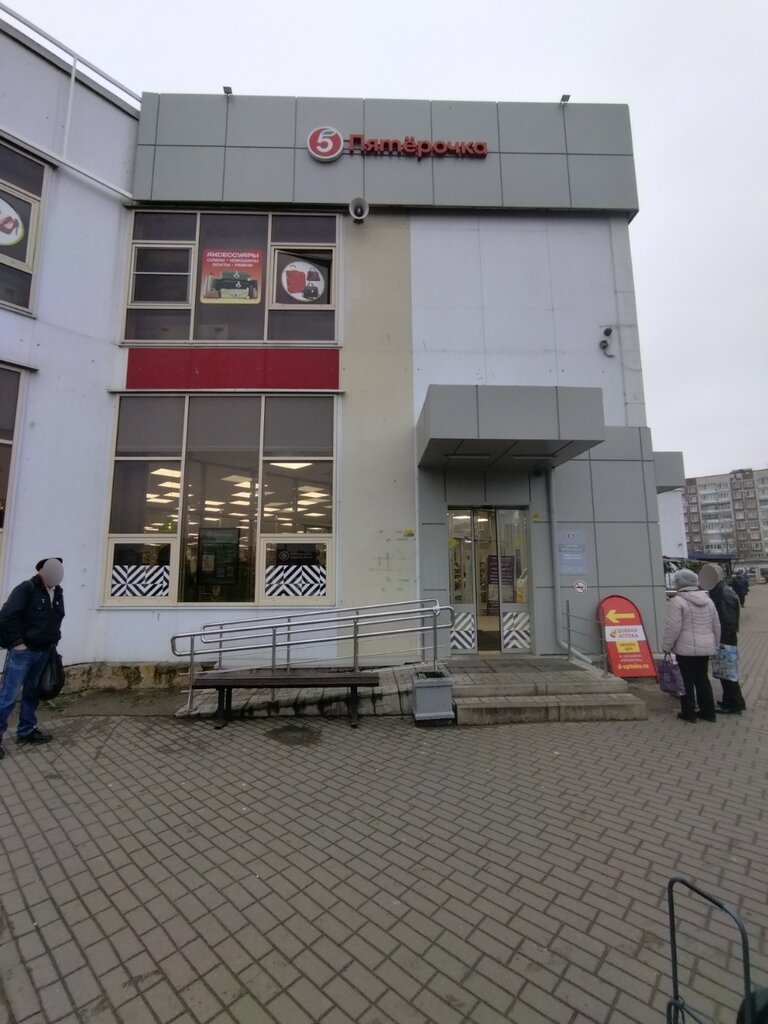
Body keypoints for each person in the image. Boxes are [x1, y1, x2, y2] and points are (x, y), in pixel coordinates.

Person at [0, 558, 65, 758]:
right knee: (8, 697)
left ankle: (26, 730)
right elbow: (6, 617)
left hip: (44, 652)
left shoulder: (57, 593)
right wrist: (17, 643)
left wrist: (54, 640)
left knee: (32, 694)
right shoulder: (26, 589)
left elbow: (56, 618)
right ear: (41, 571)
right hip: (23, 653)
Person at [662, 568, 720, 723]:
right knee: (702, 679)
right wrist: (715, 644)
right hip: (706, 647)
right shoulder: (708, 601)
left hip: (685, 649)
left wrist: (666, 646)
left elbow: (673, 627)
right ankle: (708, 712)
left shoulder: (677, 601)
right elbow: (716, 625)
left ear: (679, 583)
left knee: (686, 680)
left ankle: (689, 713)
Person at [699, 563, 746, 714]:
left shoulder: (723, 594)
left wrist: (720, 642)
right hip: (725, 639)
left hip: (725, 640)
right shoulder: (721, 591)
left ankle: (733, 704)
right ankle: (733, 701)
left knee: (727, 673)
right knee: (725, 673)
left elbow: (727, 621)